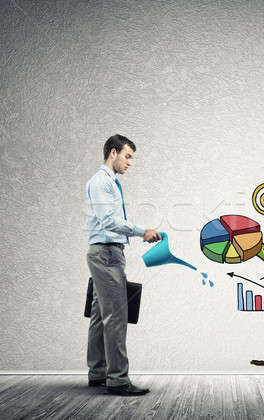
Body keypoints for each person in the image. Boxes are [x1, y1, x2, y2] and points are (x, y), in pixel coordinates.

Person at [85, 134, 161, 396]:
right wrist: (143, 231)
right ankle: (117, 380)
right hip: (106, 255)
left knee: (99, 315)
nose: (130, 162)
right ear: (113, 153)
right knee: (116, 315)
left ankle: (97, 373)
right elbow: (109, 221)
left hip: (106, 252)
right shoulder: (101, 183)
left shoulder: (109, 183)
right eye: (127, 156)